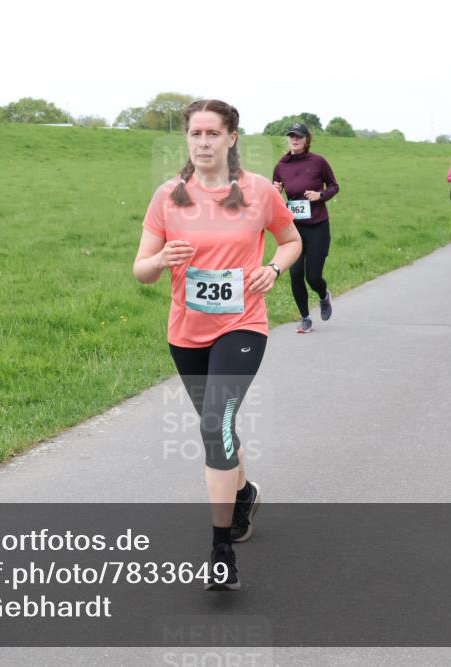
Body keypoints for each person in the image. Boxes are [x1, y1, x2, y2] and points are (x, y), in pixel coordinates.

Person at [133, 99, 301, 591]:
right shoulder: (168, 196)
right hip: (186, 332)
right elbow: (140, 271)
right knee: (218, 425)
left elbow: (290, 240)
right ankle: (243, 492)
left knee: (214, 424)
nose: (202, 142)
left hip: (242, 324)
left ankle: (220, 547)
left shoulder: (260, 192)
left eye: (212, 133)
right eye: (195, 134)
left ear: (231, 138)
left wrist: (272, 268)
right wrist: (163, 257)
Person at [272, 123, 340, 333]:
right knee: (295, 274)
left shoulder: (318, 162)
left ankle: (323, 295)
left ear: (306, 139)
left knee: (313, 276)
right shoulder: (281, 165)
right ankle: (305, 318)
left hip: (317, 225)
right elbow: (273, 193)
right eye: (292, 136)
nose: (295, 139)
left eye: (299, 136)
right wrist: (276, 190)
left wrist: (320, 196)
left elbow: (334, 186)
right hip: (293, 228)